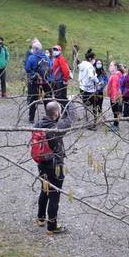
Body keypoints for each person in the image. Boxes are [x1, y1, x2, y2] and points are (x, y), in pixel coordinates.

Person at [34, 100, 77, 234]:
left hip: (41, 164)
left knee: (44, 190)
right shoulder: (55, 129)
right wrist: (71, 103)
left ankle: (41, 218)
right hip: (55, 166)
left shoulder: (38, 124)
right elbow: (70, 120)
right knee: (54, 195)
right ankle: (52, 227)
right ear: (56, 113)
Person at [25, 41, 52, 123]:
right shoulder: (46, 57)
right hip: (45, 81)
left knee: (33, 98)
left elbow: (27, 68)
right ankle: (49, 116)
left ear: (35, 49)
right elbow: (50, 67)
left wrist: (32, 74)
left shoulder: (31, 57)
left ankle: (31, 118)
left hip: (35, 81)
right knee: (47, 98)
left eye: (33, 48)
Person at [78, 48, 98, 125]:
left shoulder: (81, 65)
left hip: (82, 87)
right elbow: (91, 76)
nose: (94, 60)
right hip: (89, 89)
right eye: (94, 59)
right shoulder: (89, 66)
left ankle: (86, 120)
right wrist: (97, 81)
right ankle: (90, 123)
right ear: (90, 59)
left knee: (85, 105)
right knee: (91, 106)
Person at [107, 61, 123, 131]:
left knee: (115, 111)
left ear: (115, 67)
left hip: (115, 97)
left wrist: (113, 98)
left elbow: (114, 88)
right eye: (110, 65)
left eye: (111, 65)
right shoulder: (116, 75)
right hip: (116, 96)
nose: (110, 67)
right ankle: (115, 124)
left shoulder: (115, 76)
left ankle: (116, 125)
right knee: (116, 111)